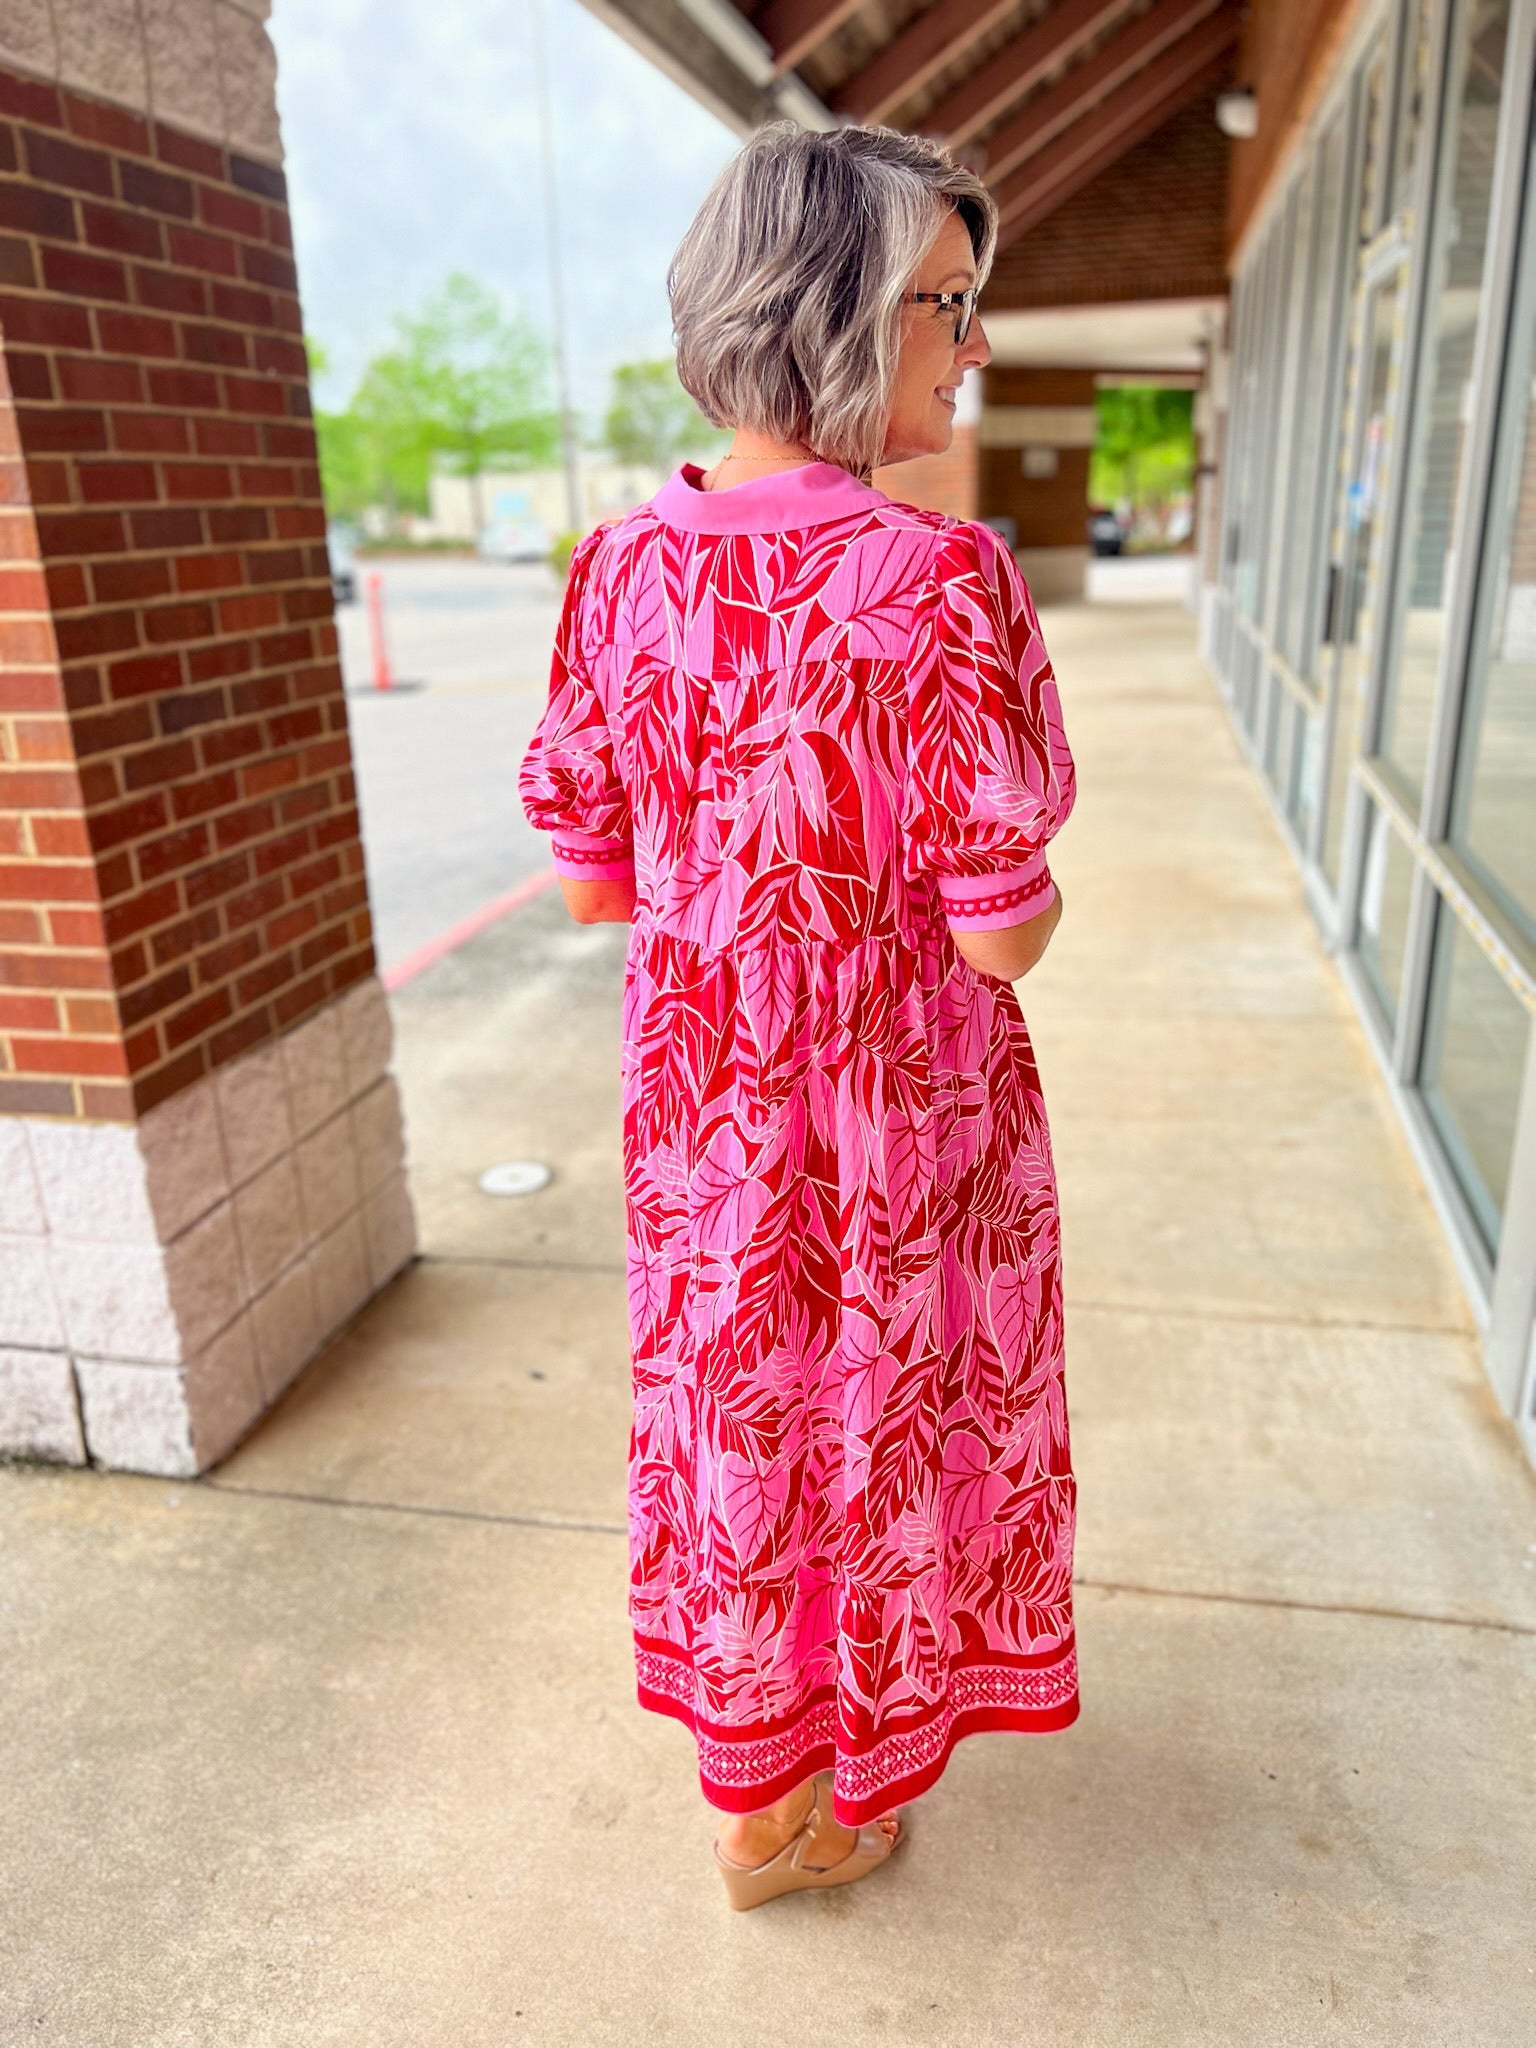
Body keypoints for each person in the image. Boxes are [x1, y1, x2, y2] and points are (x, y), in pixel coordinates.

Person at [517, 120, 1079, 1912]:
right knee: (884, 1420)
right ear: (835, 305)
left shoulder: (616, 574)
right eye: (950, 304)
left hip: (708, 1120)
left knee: (744, 1418)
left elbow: (597, 882)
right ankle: (842, 1792)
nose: (973, 344)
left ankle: (757, 1791)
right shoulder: (943, 584)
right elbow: (1002, 939)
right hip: (900, 1113)